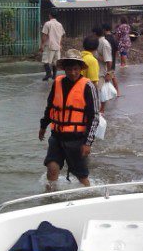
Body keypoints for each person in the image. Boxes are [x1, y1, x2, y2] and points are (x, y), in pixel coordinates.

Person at [38, 49, 100, 188]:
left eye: (76, 69)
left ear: (80, 69)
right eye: (69, 69)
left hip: (77, 139)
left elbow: (94, 117)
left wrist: (88, 143)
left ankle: (89, 197)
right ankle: (50, 199)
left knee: (82, 177)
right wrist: (43, 126)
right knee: (52, 169)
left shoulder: (88, 86)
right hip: (57, 137)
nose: (73, 72)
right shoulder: (58, 82)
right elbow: (50, 106)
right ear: (64, 69)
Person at [93, 26, 115, 112]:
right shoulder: (97, 42)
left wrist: (109, 74)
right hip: (97, 70)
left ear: (95, 33)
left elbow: (108, 61)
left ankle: (101, 110)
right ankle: (99, 109)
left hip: (101, 72)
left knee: (101, 92)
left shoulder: (104, 43)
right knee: (98, 91)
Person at [39, 9, 65, 81]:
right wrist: (60, 44)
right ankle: (54, 76)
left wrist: (42, 45)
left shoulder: (47, 24)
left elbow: (44, 35)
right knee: (55, 62)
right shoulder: (60, 24)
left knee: (45, 60)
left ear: (50, 15)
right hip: (57, 46)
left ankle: (48, 73)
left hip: (49, 45)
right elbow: (61, 35)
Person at [103, 23, 120, 95]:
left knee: (106, 76)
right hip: (112, 60)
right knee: (112, 76)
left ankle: (107, 93)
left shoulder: (104, 39)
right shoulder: (114, 38)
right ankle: (117, 91)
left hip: (106, 60)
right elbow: (117, 50)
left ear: (104, 30)